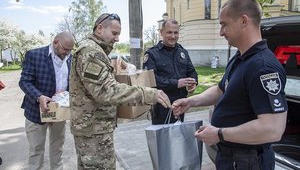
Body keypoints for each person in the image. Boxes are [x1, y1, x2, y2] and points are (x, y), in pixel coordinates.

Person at [172, 0, 288, 170]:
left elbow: (272, 128)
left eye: (224, 24)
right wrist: (192, 101)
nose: (221, 32)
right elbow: (221, 90)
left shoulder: (263, 67)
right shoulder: (241, 57)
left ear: (243, 21)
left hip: (248, 161)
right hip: (231, 155)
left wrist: (219, 134)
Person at [69, 13, 171, 169]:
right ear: (100, 29)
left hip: (91, 129)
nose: (117, 39)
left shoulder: (93, 50)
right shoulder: (92, 52)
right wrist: (148, 93)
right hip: (94, 131)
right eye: (114, 33)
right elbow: (106, 91)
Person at [19, 32, 75, 170]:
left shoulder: (69, 58)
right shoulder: (34, 55)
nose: (67, 53)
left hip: (59, 112)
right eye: (65, 49)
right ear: (55, 42)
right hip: (36, 112)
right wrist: (39, 96)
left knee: (57, 148)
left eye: (70, 50)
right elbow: (24, 81)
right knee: (36, 150)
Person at [143, 19, 198, 124]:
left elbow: (192, 72)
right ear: (161, 32)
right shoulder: (152, 54)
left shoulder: (183, 52)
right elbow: (151, 81)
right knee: (163, 139)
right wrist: (177, 83)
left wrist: (193, 82)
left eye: (176, 32)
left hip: (181, 105)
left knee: (178, 138)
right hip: (162, 107)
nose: (173, 36)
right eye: (169, 32)